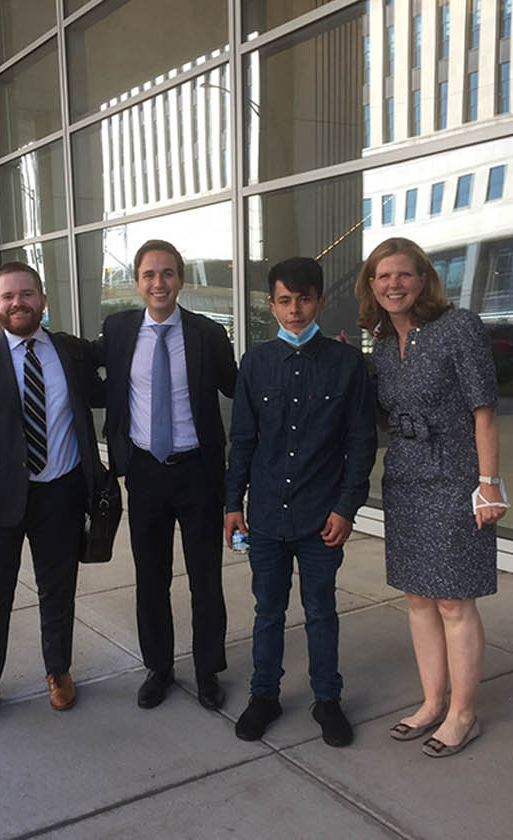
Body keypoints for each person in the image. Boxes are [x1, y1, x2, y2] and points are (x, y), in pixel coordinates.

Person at [356, 236, 504, 758]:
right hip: (405, 475)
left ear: (423, 280)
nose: (393, 284)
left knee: (452, 598)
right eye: (382, 276)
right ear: (371, 286)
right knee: (418, 596)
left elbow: (484, 409)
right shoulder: (380, 340)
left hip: (455, 473)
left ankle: (464, 713)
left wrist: (489, 485)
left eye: (403, 274)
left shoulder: (457, 327)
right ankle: (432, 701)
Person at [224, 257, 377, 746]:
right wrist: (233, 505)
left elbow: (361, 442)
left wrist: (346, 508)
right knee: (267, 610)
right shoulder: (256, 362)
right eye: (285, 301)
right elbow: (242, 440)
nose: (295, 310)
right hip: (267, 515)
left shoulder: (347, 364)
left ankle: (326, 700)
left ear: (320, 302)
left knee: (320, 610)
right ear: (271, 306)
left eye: (304, 299)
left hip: (321, 518)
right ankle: (263, 695)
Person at [0, 262, 104, 728]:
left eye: (27, 294)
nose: (19, 303)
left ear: (43, 300)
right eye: (9, 296)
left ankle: (58, 672)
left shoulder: (70, 352)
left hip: (61, 493)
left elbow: (118, 369)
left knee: (58, 590)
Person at [93, 239, 237, 711]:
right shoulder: (117, 330)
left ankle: (207, 669)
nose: (159, 282)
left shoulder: (207, 334)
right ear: (137, 282)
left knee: (205, 578)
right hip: (146, 474)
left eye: (168, 273)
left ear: (181, 280)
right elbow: (78, 364)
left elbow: (241, 386)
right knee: (150, 577)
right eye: (150, 274)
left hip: (198, 473)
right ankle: (159, 666)